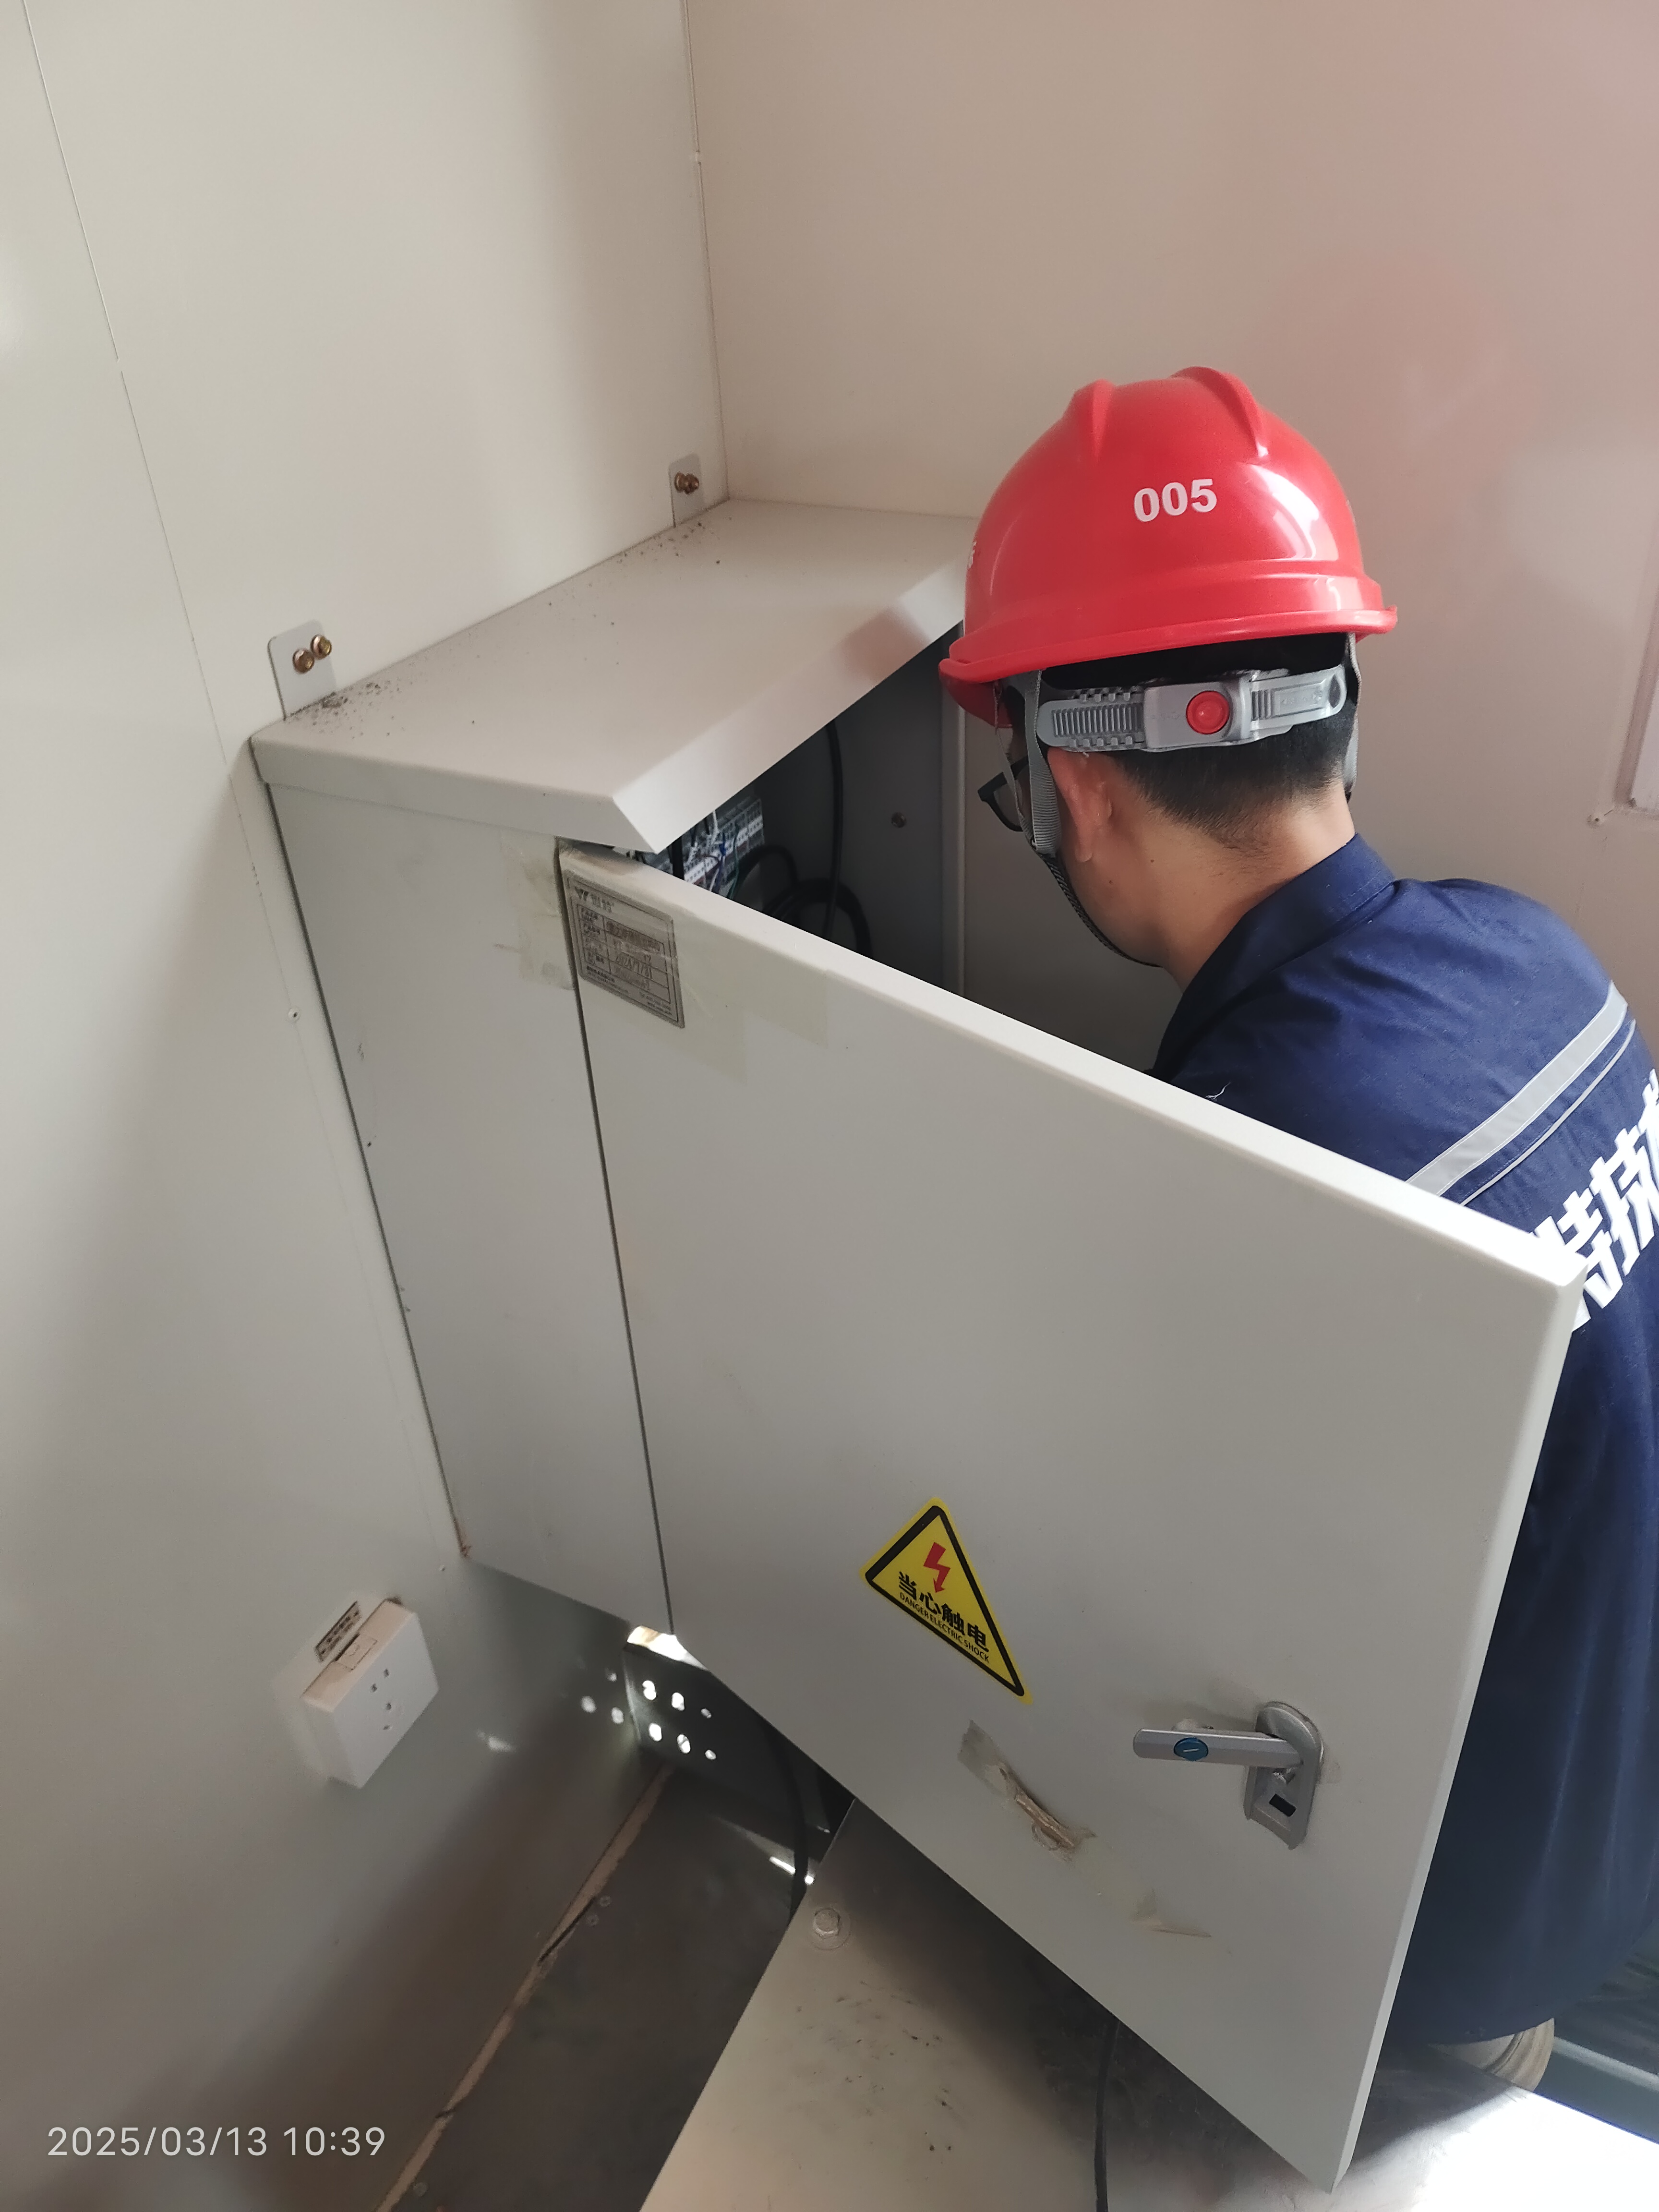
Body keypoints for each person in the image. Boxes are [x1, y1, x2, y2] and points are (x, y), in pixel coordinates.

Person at [941, 369, 1659, 2090]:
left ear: (1073, 790)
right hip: (1606, 1818)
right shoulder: (1533, 950)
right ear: (1337, 711)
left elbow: (1165, 1654)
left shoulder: (1260, 1176)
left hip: (1431, 1972)